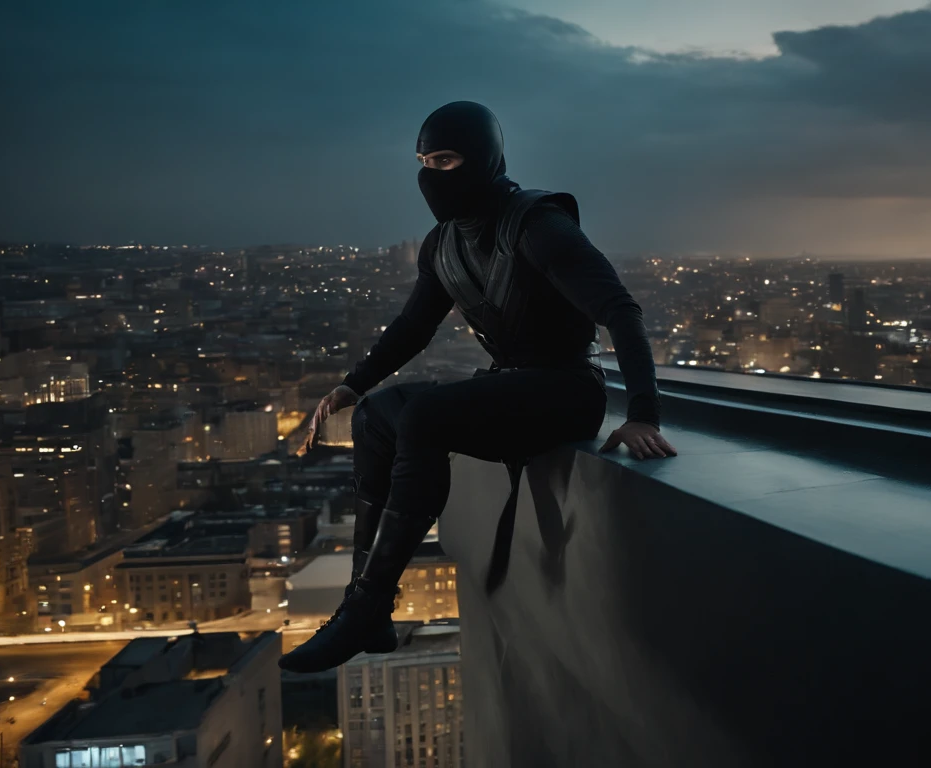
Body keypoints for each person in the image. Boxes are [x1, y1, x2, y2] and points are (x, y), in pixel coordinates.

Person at [278, 101, 675, 674]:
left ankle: (367, 606)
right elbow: (415, 326)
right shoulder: (445, 244)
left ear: (484, 159)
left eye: (445, 159)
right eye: (423, 161)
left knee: (423, 417)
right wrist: (352, 386)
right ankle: (365, 611)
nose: (430, 174)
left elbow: (620, 309)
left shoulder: (537, 224)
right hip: (512, 387)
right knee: (378, 415)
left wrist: (643, 415)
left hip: (568, 392)